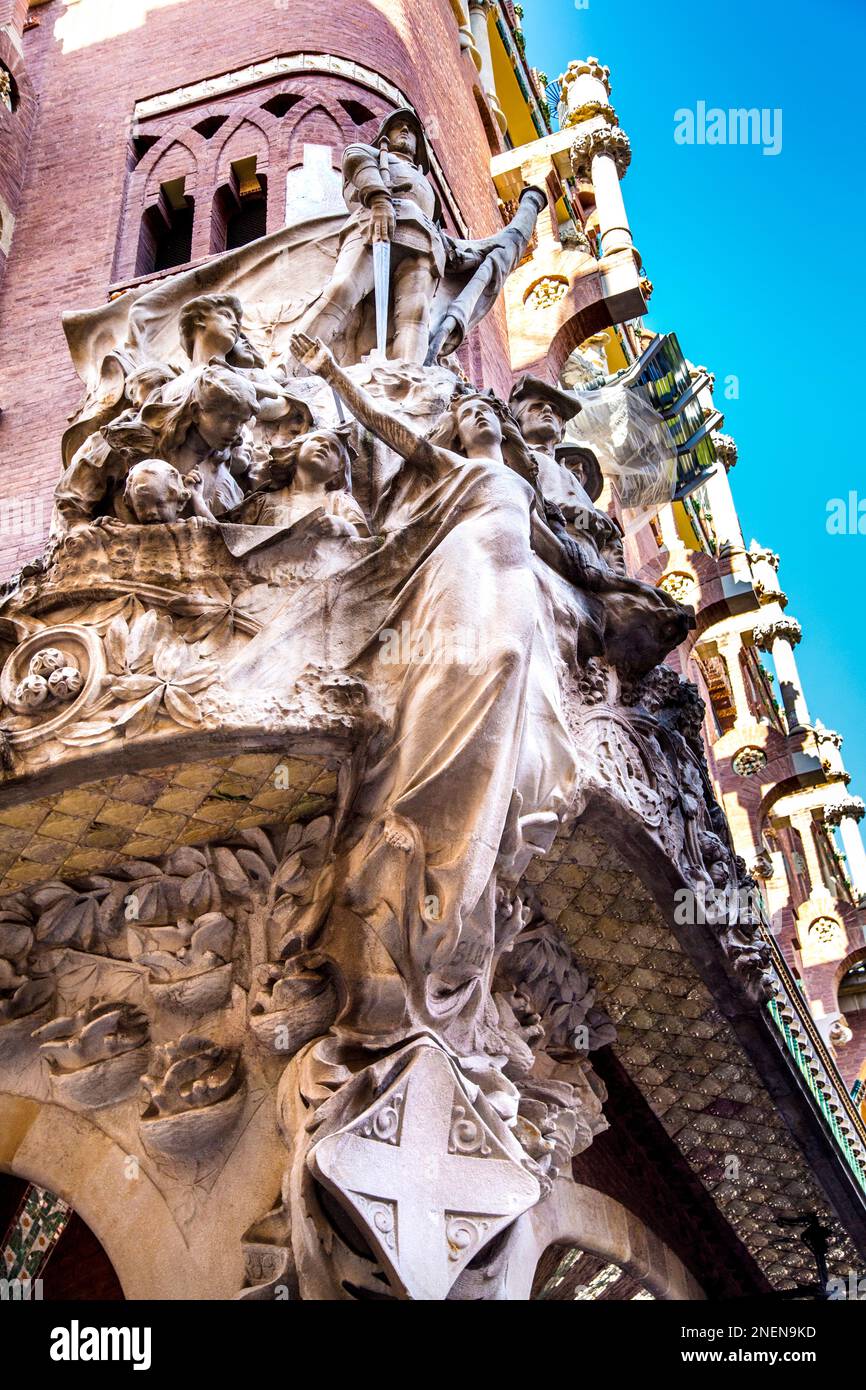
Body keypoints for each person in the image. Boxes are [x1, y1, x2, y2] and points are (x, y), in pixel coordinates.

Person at [297, 108, 445, 365]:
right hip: (372, 227)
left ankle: (407, 380)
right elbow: (355, 158)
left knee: (416, 314)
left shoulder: (427, 187)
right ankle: (289, 365)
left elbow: (440, 229)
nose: (406, 131)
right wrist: (378, 197)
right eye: (398, 126)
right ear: (385, 135)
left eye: (411, 130)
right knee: (342, 290)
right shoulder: (373, 154)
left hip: (423, 243)